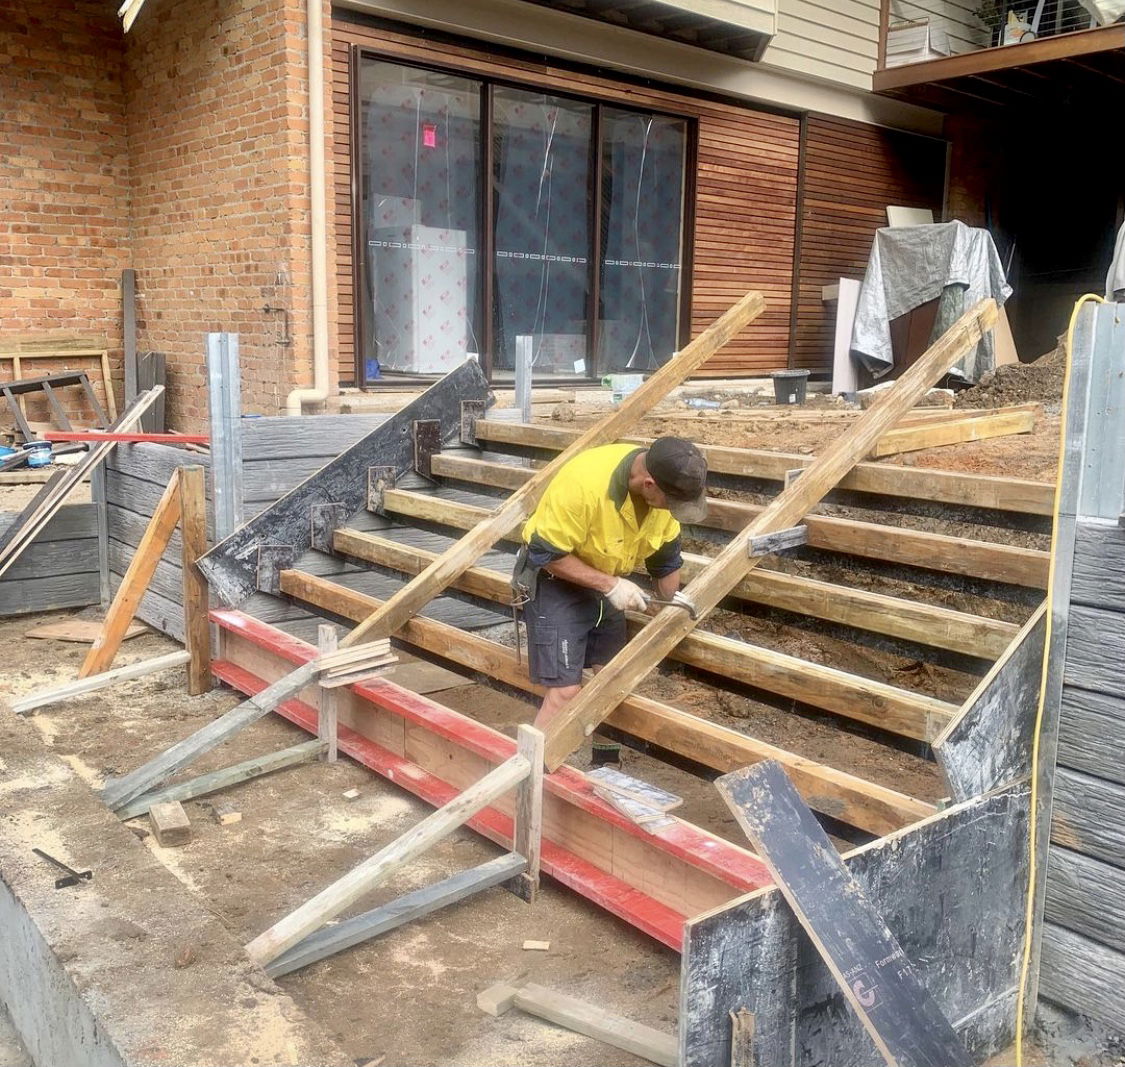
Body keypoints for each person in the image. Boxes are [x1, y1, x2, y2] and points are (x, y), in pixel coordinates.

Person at [512, 436, 709, 737]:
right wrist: (611, 585)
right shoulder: (584, 484)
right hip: (554, 577)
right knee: (566, 692)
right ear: (649, 484)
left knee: (612, 681)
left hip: (606, 578)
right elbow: (546, 555)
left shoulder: (664, 498)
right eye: (672, 502)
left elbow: (666, 562)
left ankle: (604, 761)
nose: (674, 510)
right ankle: (531, 775)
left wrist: (674, 608)